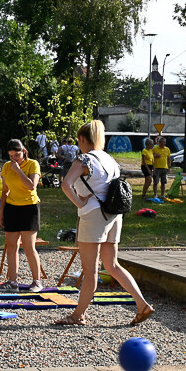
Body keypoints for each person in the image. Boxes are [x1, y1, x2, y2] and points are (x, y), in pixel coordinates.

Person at [55, 120, 154, 326]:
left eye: (78, 140)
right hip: (113, 214)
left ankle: (78, 315)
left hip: (93, 215)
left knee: (90, 270)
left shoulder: (84, 159)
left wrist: (79, 202)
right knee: (112, 265)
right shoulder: (109, 159)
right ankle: (142, 304)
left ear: (82, 139)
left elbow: (66, 184)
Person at [0, 138, 44, 291]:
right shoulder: (6, 166)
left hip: (29, 208)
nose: (14, 159)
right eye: (11, 156)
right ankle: (12, 281)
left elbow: (31, 186)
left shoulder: (32, 164)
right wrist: (1, 213)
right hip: (12, 207)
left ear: (23, 152)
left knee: (29, 246)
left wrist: (18, 170)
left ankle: (37, 281)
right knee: (11, 246)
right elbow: (4, 191)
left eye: (16, 155)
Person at [151, 136, 172, 201]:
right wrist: (155, 156)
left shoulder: (167, 149)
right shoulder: (155, 149)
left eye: (165, 142)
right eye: (163, 142)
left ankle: (162, 194)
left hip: (164, 168)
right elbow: (150, 156)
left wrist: (169, 166)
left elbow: (169, 158)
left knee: (163, 182)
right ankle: (155, 194)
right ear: (159, 143)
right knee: (156, 182)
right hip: (157, 168)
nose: (164, 144)